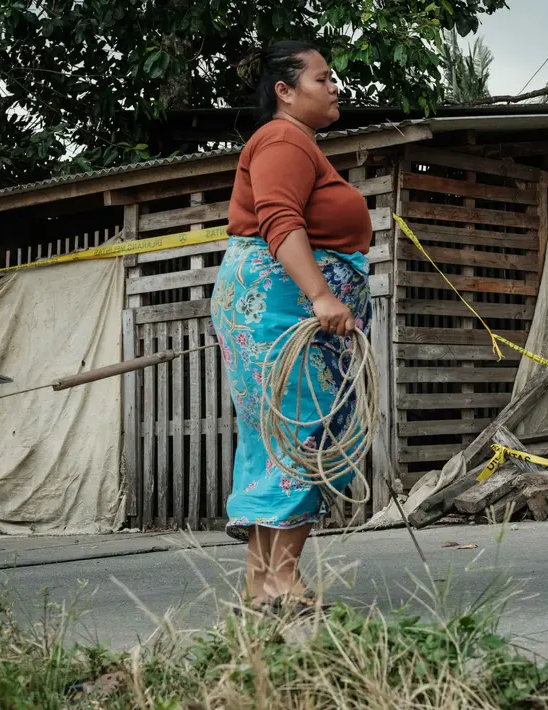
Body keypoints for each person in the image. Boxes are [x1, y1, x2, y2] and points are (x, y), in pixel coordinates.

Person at [211, 40, 373, 615]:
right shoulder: (283, 138)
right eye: (324, 79)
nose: (335, 88)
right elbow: (279, 220)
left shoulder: (294, 143)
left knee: (279, 439)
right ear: (285, 90)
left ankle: (262, 588)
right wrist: (323, 294)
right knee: (303, 434)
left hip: (272, 303)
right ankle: (283, 583)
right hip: (285, 306)